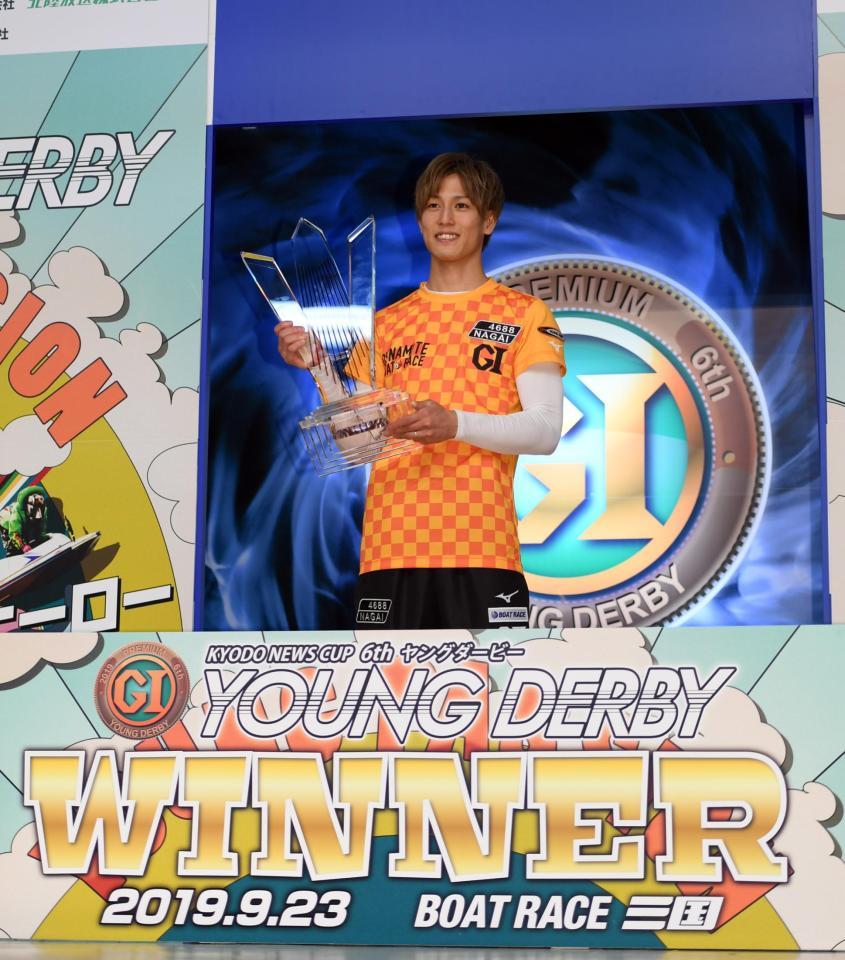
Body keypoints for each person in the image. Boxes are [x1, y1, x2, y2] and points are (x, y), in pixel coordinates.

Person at [276, 153, 565, 628]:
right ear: (421, 220)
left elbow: (545, 430)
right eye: (434, 205)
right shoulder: (386, 324)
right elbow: (361, 443)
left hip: (483, 553)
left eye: (462, 205)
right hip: (389, 555)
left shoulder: (524, 315)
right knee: (387, 681)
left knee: (485, 679)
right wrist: (320, 370)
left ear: (489, 221)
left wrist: (455, 424)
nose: (445, 218)